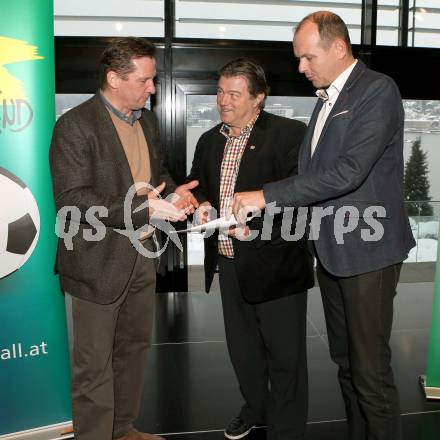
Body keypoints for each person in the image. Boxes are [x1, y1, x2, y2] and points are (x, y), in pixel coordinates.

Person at [232, 12, 416, 440]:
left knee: (371, 372)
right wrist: (261, 218)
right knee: (346, 365)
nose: (300, 68)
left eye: (307, 57)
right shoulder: (326, 98)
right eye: (298, 59)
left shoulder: (377, 90)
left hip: (368, 252)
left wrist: (266, 194)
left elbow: (349, 172)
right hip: (332, 252)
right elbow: (313, 179)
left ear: (338, 48)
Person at [50, 37, 198, 440]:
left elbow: (154, 176)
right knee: (93, 367)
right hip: (94, 264)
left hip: (142, 256)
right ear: (114, 78)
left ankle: (122, 429)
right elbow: (73, 199)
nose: (153, 89)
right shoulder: (75, 125)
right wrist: (144, 209)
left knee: (132, 353)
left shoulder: (146, 121)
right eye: (145, 81)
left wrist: (173, 194)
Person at [188, 57, 314, 440]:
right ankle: (254, 408)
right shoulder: (209, 140)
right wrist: (203, 206)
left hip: (277, 263)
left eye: (234, 94)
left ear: (258, 98)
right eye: (220, 91)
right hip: (228, 262)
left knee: (285, 356)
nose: (223, 100)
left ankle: (287, 427)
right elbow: (201, 189)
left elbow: (302, 196)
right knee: (243, 352)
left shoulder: (290, 134)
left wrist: (256, 228)